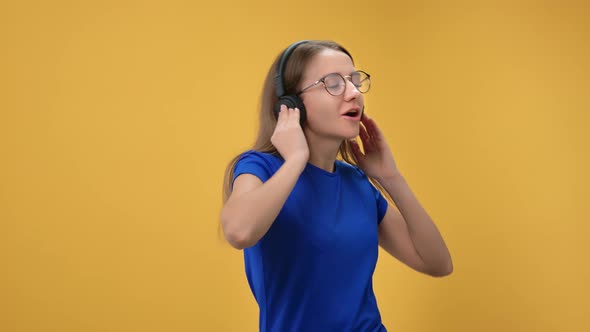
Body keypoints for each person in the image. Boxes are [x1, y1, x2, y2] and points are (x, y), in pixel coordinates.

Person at [220, 40, 453, 332]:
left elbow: (437, 263)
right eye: (333, 83)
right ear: (290, 105)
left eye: (354, 81)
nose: (354, 93)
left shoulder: (356, 182)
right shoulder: (260, 168)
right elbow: (238, 231)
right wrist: (295, 160)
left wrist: (390, 177)